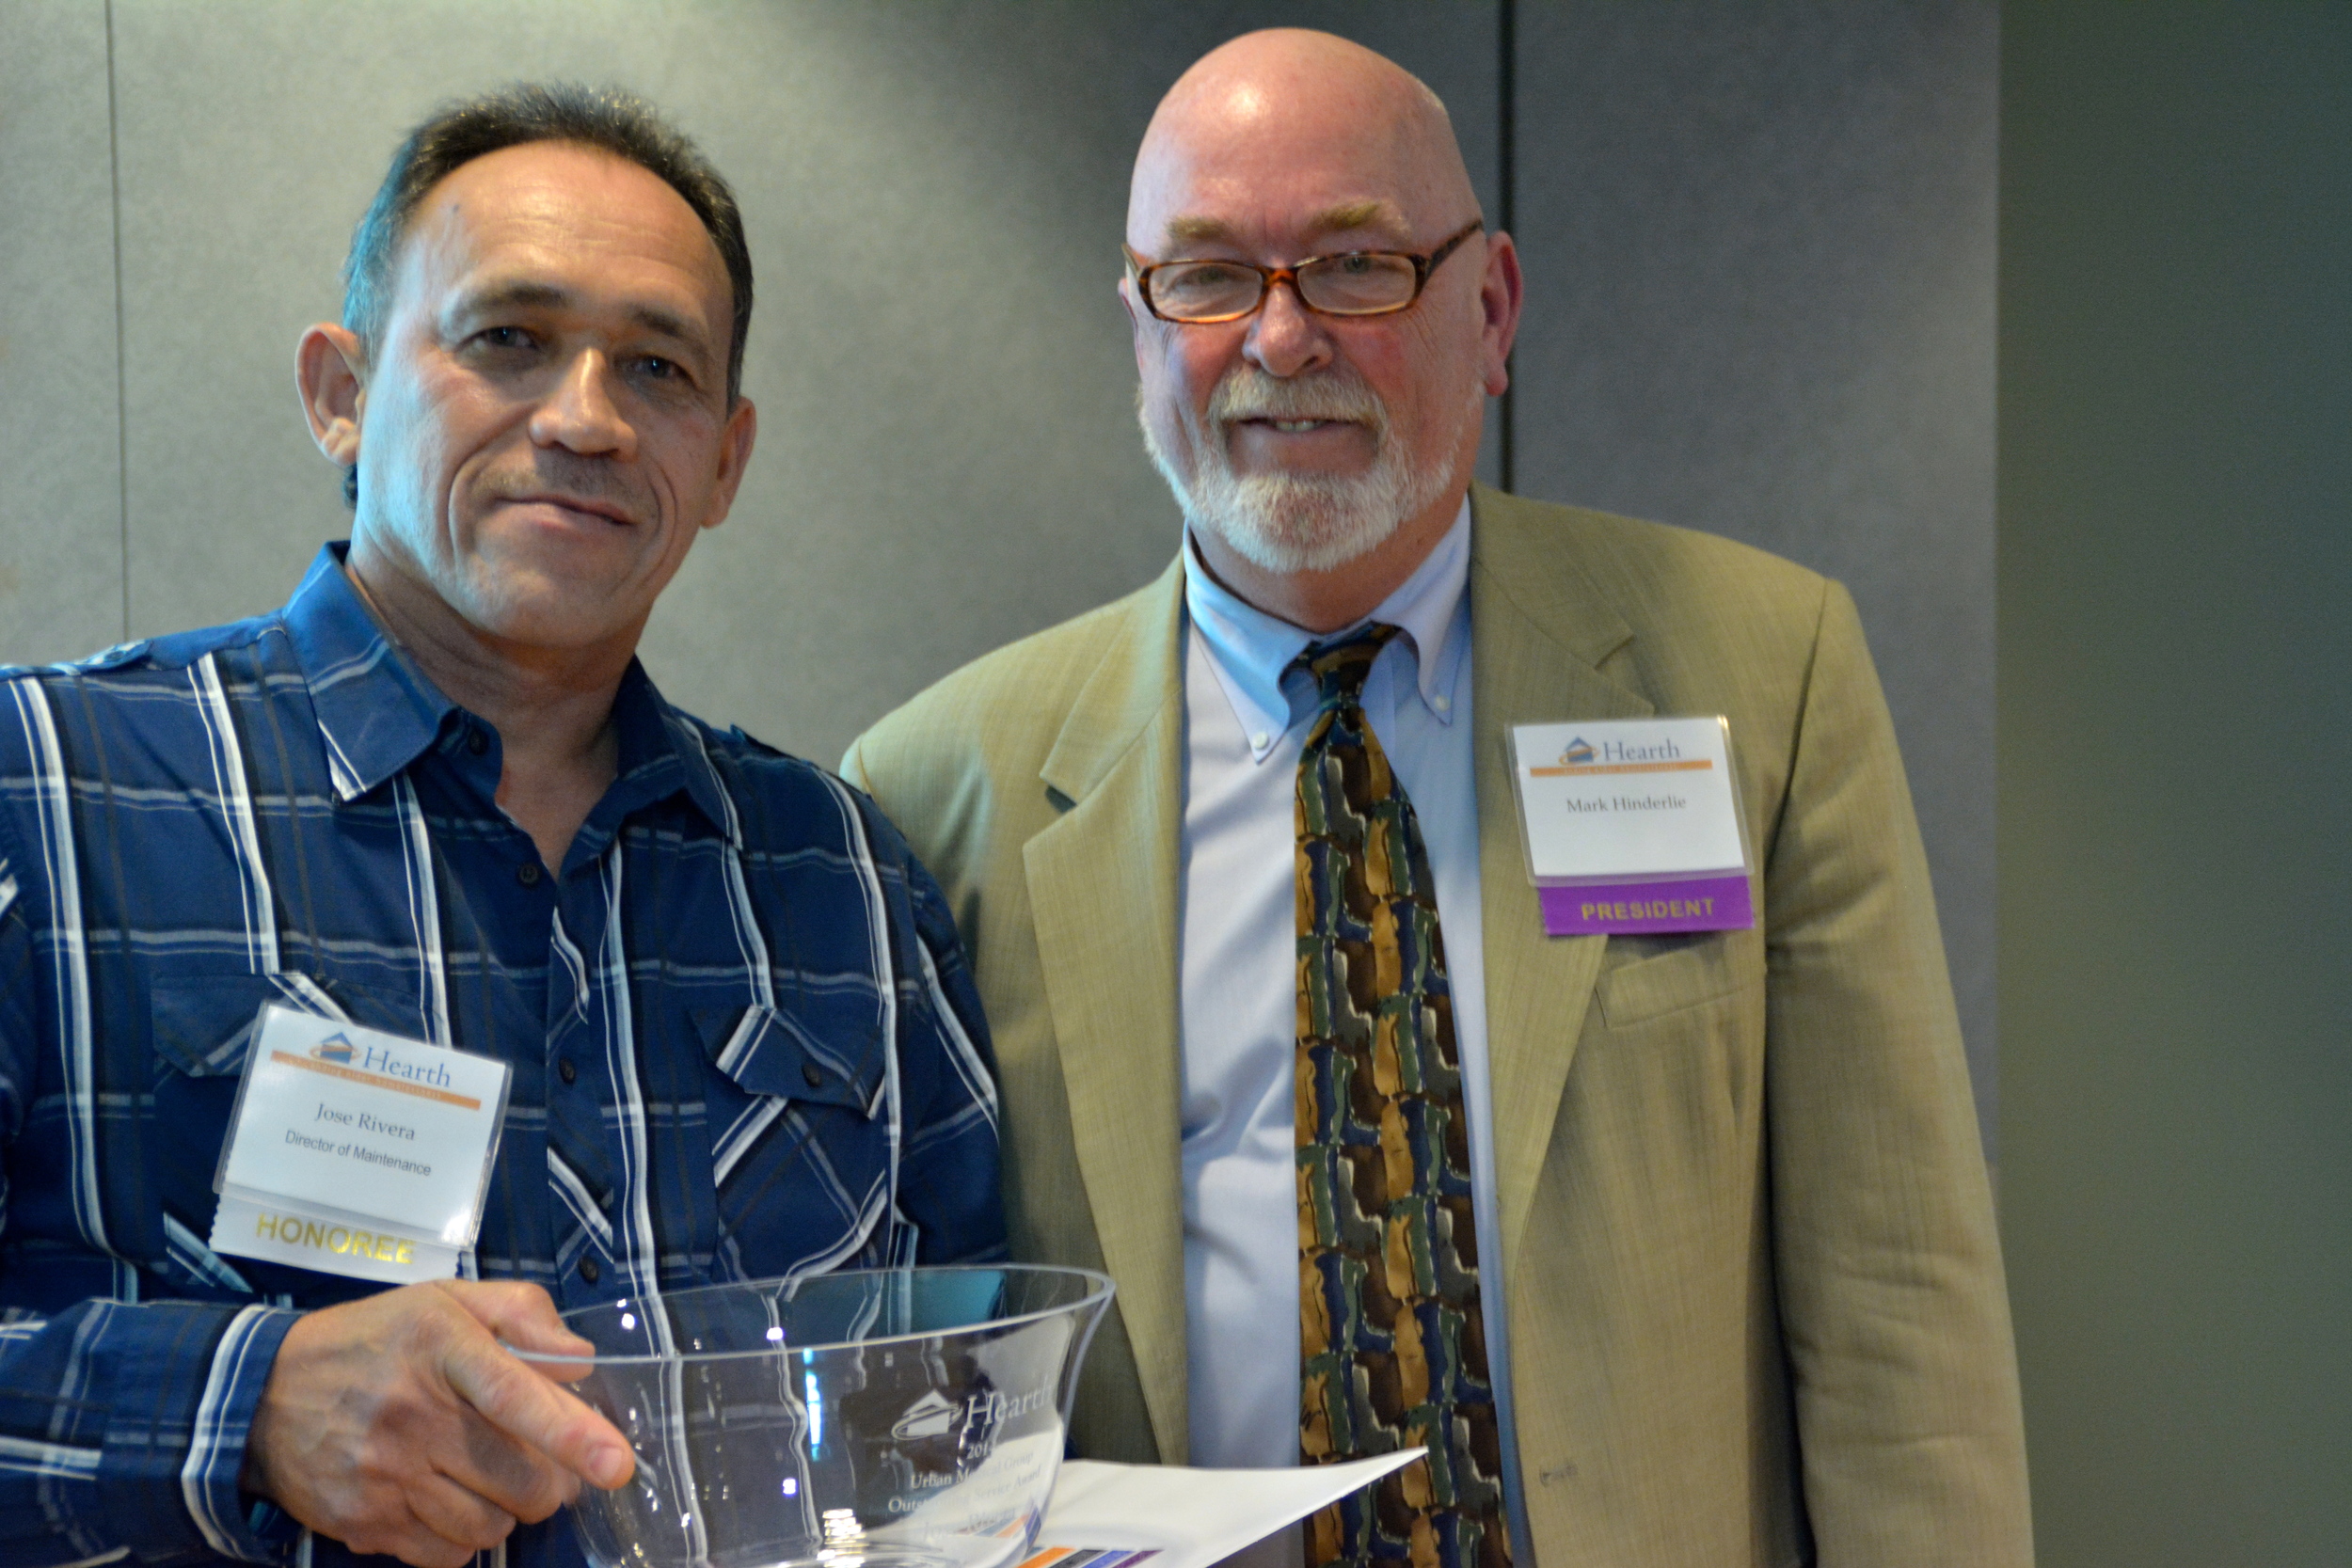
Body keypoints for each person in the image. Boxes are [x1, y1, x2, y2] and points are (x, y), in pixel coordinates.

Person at [844, 28, 2029, 1568]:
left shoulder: (1755, 675)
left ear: (1493, 306)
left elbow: (1896, 1301)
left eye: (1355, 266)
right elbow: (908, 1388)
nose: (1279, 341)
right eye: (1206, 278)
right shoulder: (936, 792)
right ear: (1136, 333)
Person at [0, 85, 1002, 1568]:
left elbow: (952, 1406)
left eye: (656, 367)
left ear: (722, 461)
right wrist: (246, 1404)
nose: (587, 419)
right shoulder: (47, 790)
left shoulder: (842, 878)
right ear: (340, 392)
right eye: (506, 339)